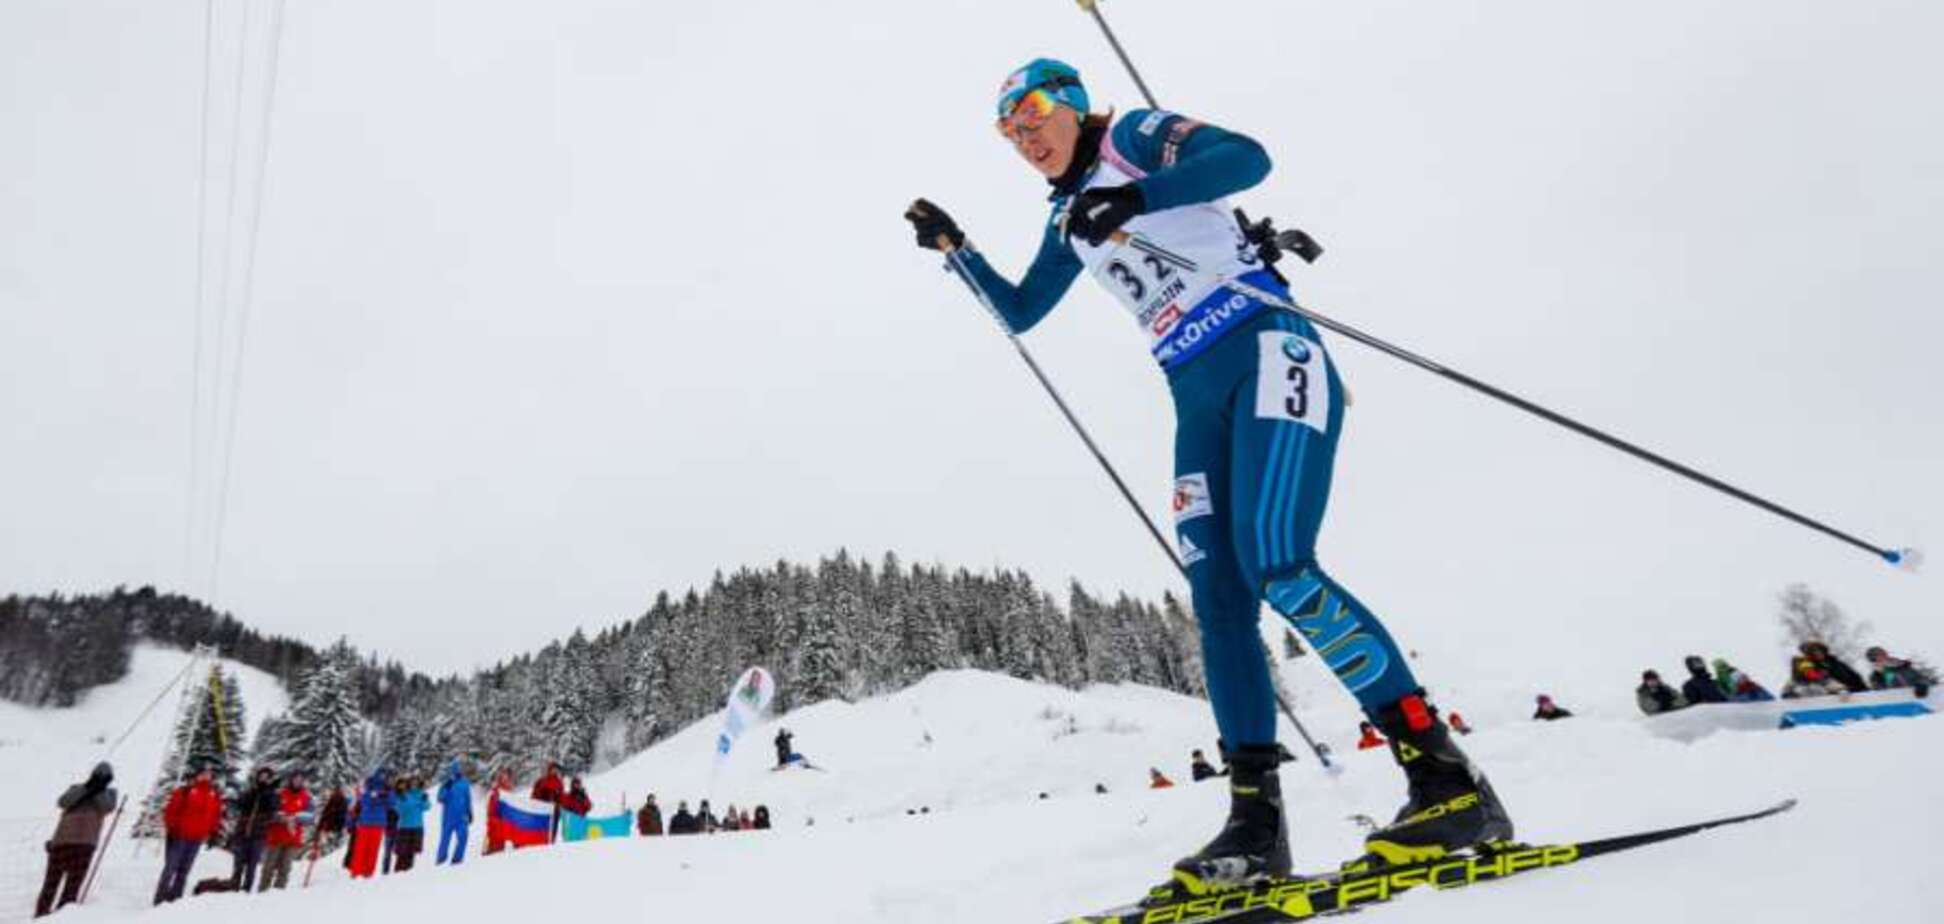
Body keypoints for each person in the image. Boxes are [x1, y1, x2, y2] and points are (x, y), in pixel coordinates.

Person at [905, 58, 1511, 889]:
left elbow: (1248, 158)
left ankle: (1446, 783)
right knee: (1220, 604)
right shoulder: (1066, 219)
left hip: (1267, 348)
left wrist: (1140, 195)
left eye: (1037, 113)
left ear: (1075, 106)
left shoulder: (1134, 139)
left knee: (1280, 566)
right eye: (1009, 131)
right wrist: (957, 250)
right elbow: (1022, 311)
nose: (1026, 137)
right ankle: (1255, 829)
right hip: (1193, 390)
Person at [38, 761, 117, 917]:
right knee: (51, 884)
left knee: (72, 887)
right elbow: (63, 802)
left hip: (85, 843)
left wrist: (98, 790)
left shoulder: (110, 793)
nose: (100, 778)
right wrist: (86, 788)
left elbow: (107, 807)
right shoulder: (76, 788)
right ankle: (41, 917)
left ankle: (62, 918)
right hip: (62, 841)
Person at [154, 765, 223, 905]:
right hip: (180, 836)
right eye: (203, 773)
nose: (206, 776)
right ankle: (159, 900)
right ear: (197, 775)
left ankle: (175, 900)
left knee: (184, 871)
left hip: (196, 839)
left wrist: (214, 832)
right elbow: (170, 811)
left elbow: (215, 816)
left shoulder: (214, 795)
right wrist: (172, 828)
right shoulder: (186, 791)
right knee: (170, 869)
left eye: (209, 774)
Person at [257, 770, 313, 891]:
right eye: (295, 779)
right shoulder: (280, 793)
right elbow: (270, 812)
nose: (297, 781)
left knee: (285, 868)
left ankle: (278, 893)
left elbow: (310, 817)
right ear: (291, 780)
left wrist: (296, 817)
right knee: (268, 867)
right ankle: (262, 891)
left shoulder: (306, 797)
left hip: (292, 839)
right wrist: (281, 817)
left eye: (300, 780)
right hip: (276, 836)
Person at [229, 765, 279, 891]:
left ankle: (247, 889)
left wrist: (267, 792)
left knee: (252, 865)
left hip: (259, 834)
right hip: (242, 831)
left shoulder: (272, 794)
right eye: (261, 776)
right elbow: (240, 805)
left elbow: (273, 810)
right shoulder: (250, 791)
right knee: (238, 863)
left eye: (267, 777)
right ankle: (233, 887)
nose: (263, 778)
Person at [347, 770, 393, 879]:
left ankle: (367, 873)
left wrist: (386, 794)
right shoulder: (367, 787)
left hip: (378, 823)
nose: (384, 778)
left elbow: (391, 803)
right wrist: (376, 795)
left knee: (373, 850)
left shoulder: (387, 790)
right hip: (366, 823)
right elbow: (363, 800)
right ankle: (356, 873)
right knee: (361, 849)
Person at [435, 760, 472, 865]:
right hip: (448, 817)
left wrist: (469, 812)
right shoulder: (446, 783)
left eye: (460, 769)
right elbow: (440, 798)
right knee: (445, 839)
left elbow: (468, 799)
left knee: (463, 837)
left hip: (462, 817)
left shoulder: (465, 783)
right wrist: (447, 787)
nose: (458, 771)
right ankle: (441, 858)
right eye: (456, 769)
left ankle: (457, 858)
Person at [1798, 641, 1868, 693]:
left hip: (1855, 692)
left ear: (1824, 651)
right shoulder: (1809, 666)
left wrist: (1865, 689)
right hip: (1832, 696)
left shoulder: (1836, 662)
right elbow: (1811, 679)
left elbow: (1854, 675)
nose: (1817, 653)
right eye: (1813, 652)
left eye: (1819, 650)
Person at [391, 776, 429, 872]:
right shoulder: (404, 794)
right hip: (405, 826)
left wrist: (424, 800)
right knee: (402, 852)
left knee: (412, 852)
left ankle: (408, 871)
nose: (414, 785)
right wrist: (415, 803)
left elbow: (426, 807)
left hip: (417, 826)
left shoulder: (420, 794)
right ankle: (398, 871)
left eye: (416, 783)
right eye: (412, 783)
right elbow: (399, 809)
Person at [1864, 646, 1935, 695]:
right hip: (1896, 704)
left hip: (1914, 698)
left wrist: (1922, 684)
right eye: (1877, 658)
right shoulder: (1875, 676)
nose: (1883, 658)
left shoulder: (1903, 667)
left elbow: (1921, 678)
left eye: (1883, 654)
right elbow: (1877, 692)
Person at [1783, 657, 1850, 699]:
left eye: (1810, 669)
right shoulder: (1795, 681)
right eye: (1805, 669)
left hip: (1822, 704)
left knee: (1818, 688)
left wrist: (1841, 690)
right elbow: (1785, 692)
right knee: (1801, 690)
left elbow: (1833, 685)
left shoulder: (1821, 679)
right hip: (1802, 705)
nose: (1808, 671)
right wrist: (1789, 695)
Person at [483, 769, 512, 855]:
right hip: (494, 818)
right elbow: (490, 804)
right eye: (503, 776)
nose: (505, 778)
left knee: (500, 840)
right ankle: (487, 852)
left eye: (506, 777)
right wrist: (490, 817)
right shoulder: (495, 790)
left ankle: (498, 855)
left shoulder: (508, 789)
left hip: (503, 820)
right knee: (491, 837)